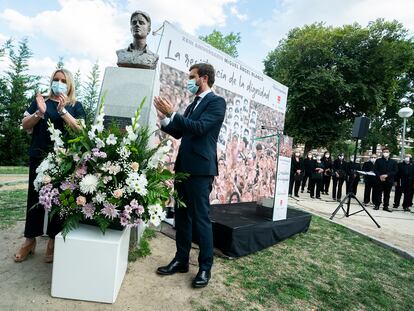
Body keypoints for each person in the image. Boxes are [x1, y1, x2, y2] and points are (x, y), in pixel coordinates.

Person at [154, 63, 226, 288]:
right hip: (184, 167)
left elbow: (199, 128)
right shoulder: (193, 104)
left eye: (192, 77)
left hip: (201, 170)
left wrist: (172, 113)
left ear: (203, 78)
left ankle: (205, 267)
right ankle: (181, 260)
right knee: (182, 216)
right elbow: (179, 131)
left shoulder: (216, 102)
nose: (189, 81)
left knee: (201, 219)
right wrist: (165, 119)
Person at [14, 69, 85, 263]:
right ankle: (30, 240)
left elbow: (81, 129)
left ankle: (53, 240)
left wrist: (63, 112)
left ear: (69, 84)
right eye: (56, 79)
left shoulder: (75, 105)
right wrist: (39, 112)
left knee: (59, 200)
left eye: (63, 80)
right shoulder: (41, 100)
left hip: (62, 160)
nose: (59, 83)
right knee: (34, 198)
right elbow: (25, 124)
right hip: (38, 156)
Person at [373, 147, 398, 212]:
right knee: (378, 193)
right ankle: (377, 205)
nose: (385, 153)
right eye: (384, 152)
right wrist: (380, 176)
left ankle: (385, 206)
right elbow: (375, 170)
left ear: (389, 153)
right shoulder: (378, 160)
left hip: (389, 180)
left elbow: (395, 171)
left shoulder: (393, 162)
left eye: (387, 152)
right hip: (379, 179)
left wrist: (387, 175)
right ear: (382, 152)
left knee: (387, 194)